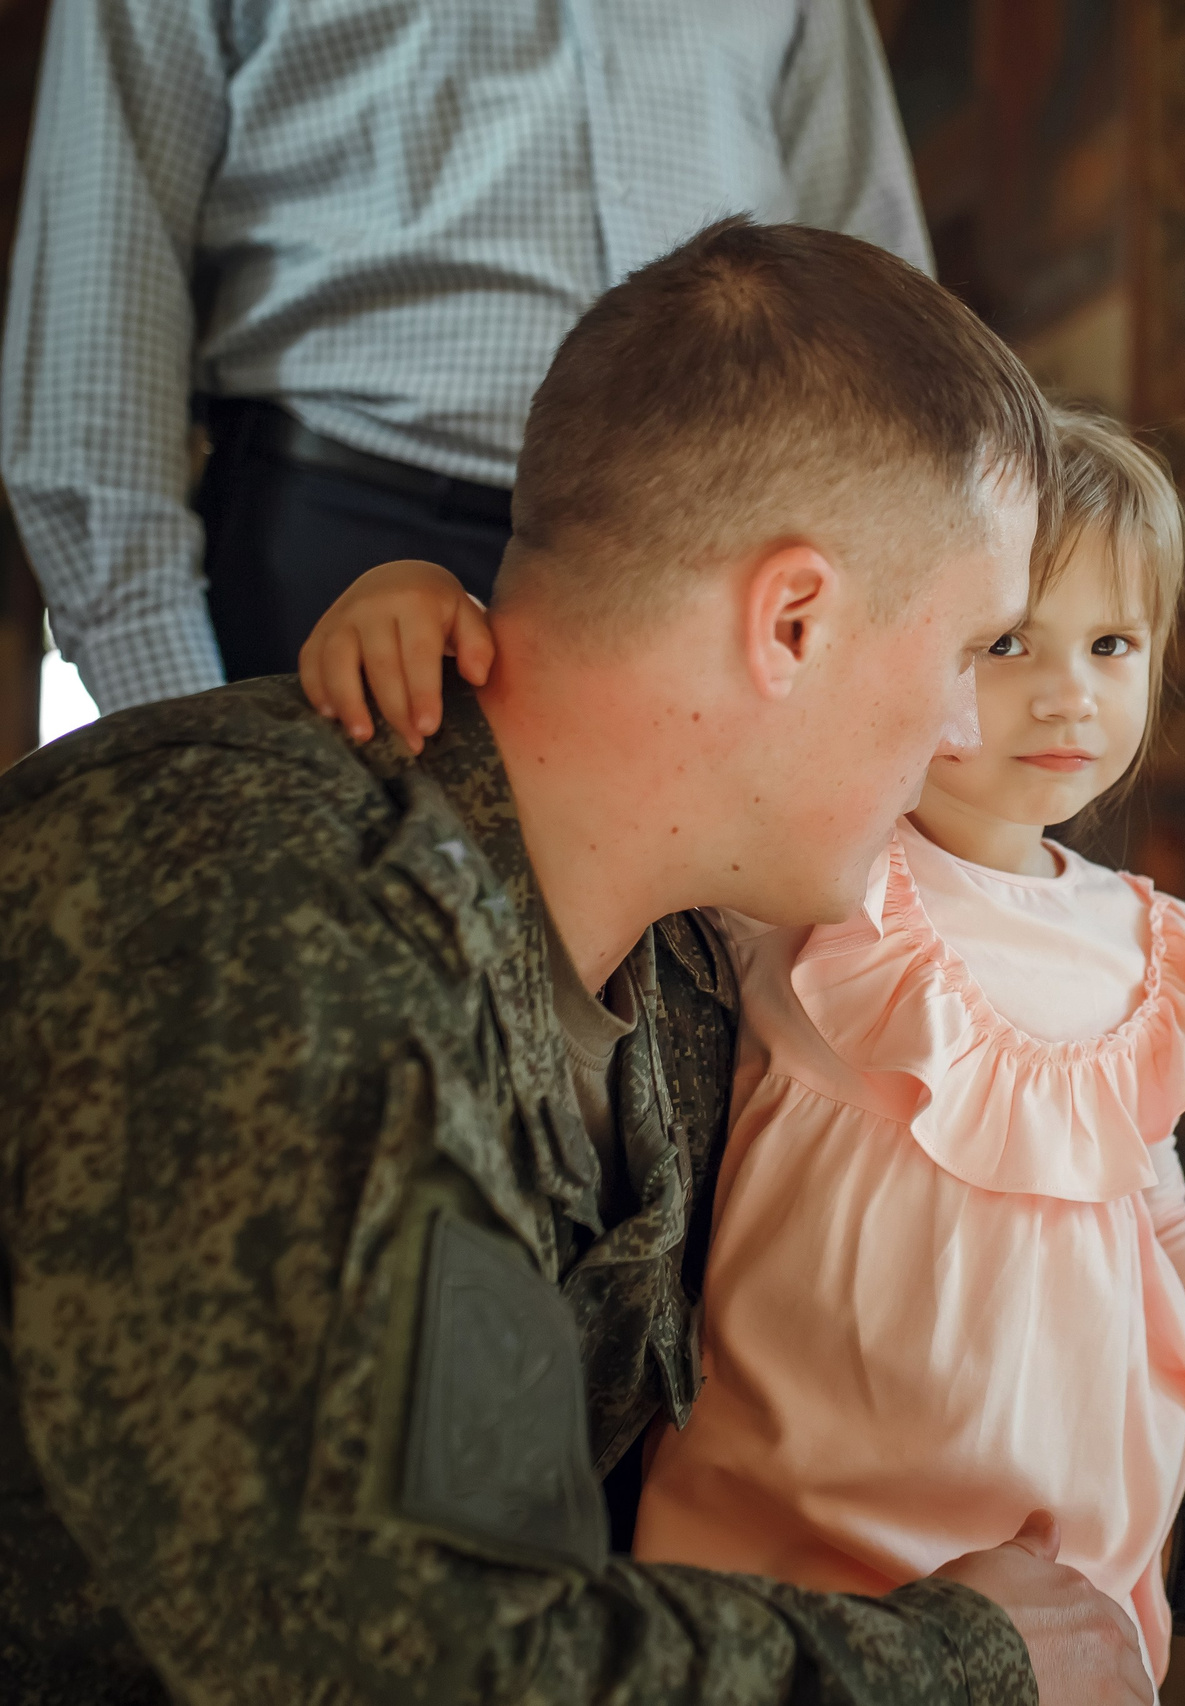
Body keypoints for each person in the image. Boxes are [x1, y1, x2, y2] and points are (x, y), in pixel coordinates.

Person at [0, 218, 1105, 1706]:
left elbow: (836, 1403)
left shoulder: (685, 982)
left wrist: (1175, 1560)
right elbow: (393, 1663)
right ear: (793, 618)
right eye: (973, 646)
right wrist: (963, 1668)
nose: (967, 734)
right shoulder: (257, 902)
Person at [299, 408, 1185, 1689]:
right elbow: (607, 774)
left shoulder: (1150, 946)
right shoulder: (816, 866)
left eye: (1112, 643)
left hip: (1059, 1528)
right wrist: (417, 598)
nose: (1068, 691)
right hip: (793, 1517)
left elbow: (1164, 1223)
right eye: (1007, 642)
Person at [2, 0, 927, 713]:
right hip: (332, 544)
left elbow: (871, 281)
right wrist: (190, 737)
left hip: (728, 558)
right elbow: (101, 296)